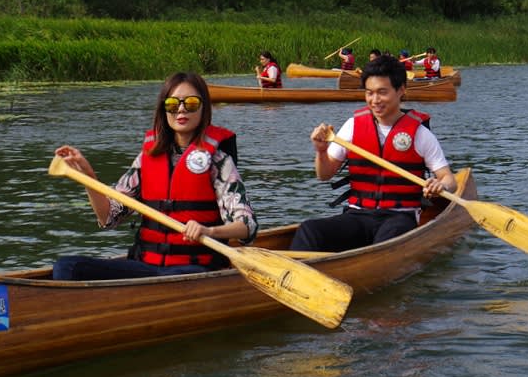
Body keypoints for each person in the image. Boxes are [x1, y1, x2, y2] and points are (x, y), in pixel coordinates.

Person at [51, 72, 257, 281]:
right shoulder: (147, 158)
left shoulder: (219, 161)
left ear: (203, 109)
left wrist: (208, 231)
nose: (181, 109)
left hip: (193, 269)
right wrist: (88, 176)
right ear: (164, 109)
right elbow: (109, 217)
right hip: (145, 265)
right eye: (172, 104)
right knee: (67, 267)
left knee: (171, 278)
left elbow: (247, 226)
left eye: (191, 103)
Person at [289, 55, 455, 252]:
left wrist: (439, 184)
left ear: (401, 90)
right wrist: (321, 151)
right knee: (309, 230)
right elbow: (324, 175)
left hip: (399, 217)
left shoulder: (420, 134)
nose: (374, 100)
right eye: (369, 93)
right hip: (357, 216)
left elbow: (450, 181)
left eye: (382, 92)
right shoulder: (352, 127)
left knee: (385, 242)